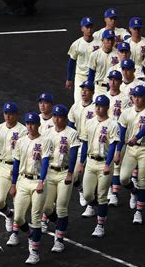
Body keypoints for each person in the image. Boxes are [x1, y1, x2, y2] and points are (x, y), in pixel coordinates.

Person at [7, 112, 52, 264]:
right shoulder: (20, 142)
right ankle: (31, 235)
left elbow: (45, 162)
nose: (30, 126)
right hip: (23, 181)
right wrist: (13, 184)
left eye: (33, 124)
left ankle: (34, 252)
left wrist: (41, 180)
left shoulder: (45, 141)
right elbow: (16, 163)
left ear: (38, 125)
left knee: (36, 217)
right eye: (28, 124)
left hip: (38, 182)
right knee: (19, 217)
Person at [79, 95, 120, 237]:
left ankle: (100, 225)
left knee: (102, 195)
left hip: (104, 164)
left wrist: (108, 164)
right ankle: (102, 210)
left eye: (101, 106)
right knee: (87, 195)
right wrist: (81, 162)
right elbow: (84, 144)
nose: (98, 108)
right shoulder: (89, 123)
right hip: (90, 162)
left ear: (107, 107)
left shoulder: (113, 125)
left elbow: (114, 145)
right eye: (96, 105)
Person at [116, 85, 145, 225]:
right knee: (123, 178)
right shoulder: (126, 113)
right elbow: (121, 133)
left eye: (140, 97)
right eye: (135, 96)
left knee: (143, 179)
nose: (137, 99)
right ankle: (134, 191)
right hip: (130, 150)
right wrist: (117, 151)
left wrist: (136, 137)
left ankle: (138, 212)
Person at [41, 104, 79, 251]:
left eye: (60, 117)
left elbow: (74, 154)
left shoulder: (72, 133)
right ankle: (60, 224)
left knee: (62, 206)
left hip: (64, 173)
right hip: (50, 173)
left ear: (64, 118)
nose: (57, 120)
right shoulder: (48, 133)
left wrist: (70, 173)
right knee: (46, 208)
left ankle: (59, 240)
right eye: (55, 117)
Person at [0, 102, 27, 233]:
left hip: (18, 168)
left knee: (17, 201)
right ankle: (9, 215)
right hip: (3, 166)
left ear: (16, 115)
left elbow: (25, 152)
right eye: (6, 113)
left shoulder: (23, 130)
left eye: (11, 114)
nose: (8, 116)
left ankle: (15, 233)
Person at [67, 80, 96, 212]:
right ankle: (81, 190)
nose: (83, 91)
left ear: (92, 92)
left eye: (87, 89)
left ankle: (91, 205)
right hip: (77, 143)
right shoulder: (76, 106)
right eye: (82, 89)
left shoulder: (96, 108)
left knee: (90, 175)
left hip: (92, 145)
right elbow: (70, 126)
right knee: (74, 177)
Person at [106, 70, 131, 206]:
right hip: (106, 135)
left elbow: (126, 120)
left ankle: (114, 194)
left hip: (119, 134)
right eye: (111, 79)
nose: (113, 82)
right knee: (106, 163)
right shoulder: (103, 97)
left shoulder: (125, 100)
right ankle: (110, 190)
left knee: (116, 165)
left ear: (120, 82)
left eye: (116, 79)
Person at [66, 17, 98, 104]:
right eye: (87, 27)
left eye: (91, 27)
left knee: (95, 102)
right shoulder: (76, 44)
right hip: (81, 77)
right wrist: (69, 78)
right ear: (82, 29)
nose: (89, 29)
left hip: (95, 77)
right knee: (78, 102)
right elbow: (71, 61)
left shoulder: (100, 43)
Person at [87, 29, 120, 97]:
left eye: (112, 39)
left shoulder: (118, 54)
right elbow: (91, 74)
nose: (110, 42)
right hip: (99, 88)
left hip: (114, 88)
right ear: (102, 40)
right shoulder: (94, 55)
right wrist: (89, 89)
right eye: (108, 39)